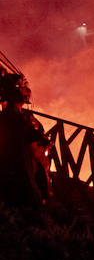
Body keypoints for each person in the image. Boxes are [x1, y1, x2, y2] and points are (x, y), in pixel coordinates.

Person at [0, 69, 51, 212]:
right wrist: (45, 146)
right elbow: (35, 153)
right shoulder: (24, 121)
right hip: (23, 186)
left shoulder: (3, 117)